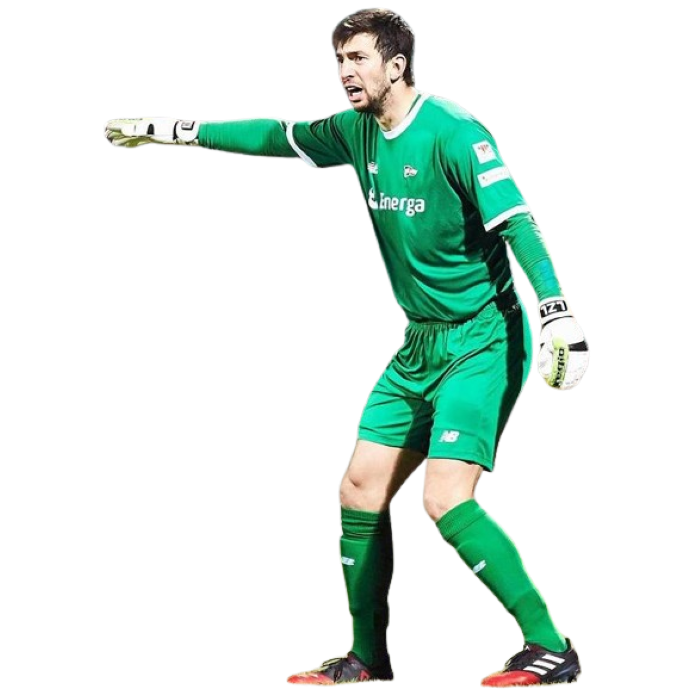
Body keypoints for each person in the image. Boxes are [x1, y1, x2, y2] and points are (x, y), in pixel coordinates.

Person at [103, 7, 589, 688]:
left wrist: (557, 312)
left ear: (397, 64)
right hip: (418, 341)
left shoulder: (456, 132)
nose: (344, 71)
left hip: (483, 335)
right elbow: (276, 136)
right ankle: (366, 660)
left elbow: (518, 224)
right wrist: (178, 131)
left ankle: (550, 647)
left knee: (444, 498)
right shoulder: (355, 131)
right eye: (338, 60)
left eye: (358, 58)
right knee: (359, 490)